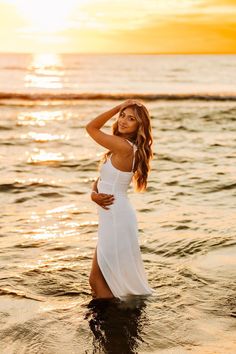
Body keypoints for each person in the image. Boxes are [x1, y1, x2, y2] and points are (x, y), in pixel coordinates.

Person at [86, 99, 154, 300]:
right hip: (115, 215)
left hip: (116, 217)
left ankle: (111, 321)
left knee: (97, 279)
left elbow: (91, 128)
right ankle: (119, 314)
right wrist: (93, 194)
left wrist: (116, 107)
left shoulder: (124, 147)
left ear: (139, 126)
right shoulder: (124, 147)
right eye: (122, 115)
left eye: (131, 118)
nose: (123, 120)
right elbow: (102, 181)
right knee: (105, 276)